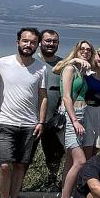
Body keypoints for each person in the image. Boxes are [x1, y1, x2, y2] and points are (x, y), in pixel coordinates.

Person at [0, 28, 48, 198]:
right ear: (17, 42)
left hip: (29, 124)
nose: (28, 45)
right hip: (5, 122)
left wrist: (40, 121)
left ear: (37, 45)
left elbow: (43, 97)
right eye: (25, 41)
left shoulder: (40, 68)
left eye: (32, 42)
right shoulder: (1, 64)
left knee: (21, 165)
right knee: (5, 165)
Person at [52, 40, 95, 198]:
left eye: (88, 50)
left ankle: (67, 194)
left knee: (70, 161)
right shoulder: (70, 68)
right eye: (82, 49)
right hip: (72, 117)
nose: (85, 52)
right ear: (76, 50)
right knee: (80, 161)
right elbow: (66, 97)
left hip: (82, 114)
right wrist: (75, 121)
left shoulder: (82, 71)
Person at [38, 29, 64, 189]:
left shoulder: (62, 64)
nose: (51, 44)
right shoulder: (31, 61)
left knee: (54, 154)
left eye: (54, 41)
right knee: (23, 157)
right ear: (40, 42)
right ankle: (16, 188)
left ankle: (52, 181)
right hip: (29, 118)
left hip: (52, 119)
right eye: (48, 40)